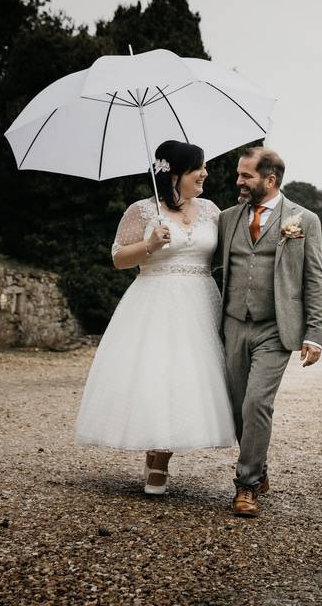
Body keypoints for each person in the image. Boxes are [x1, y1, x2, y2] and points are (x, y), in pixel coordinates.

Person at [75, 140, 235, 495]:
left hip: (202, 302)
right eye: (199, 169)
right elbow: (118, 258)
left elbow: (227, 255)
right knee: (160, 376)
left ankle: (160, 454)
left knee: (190, 380)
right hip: (156, 300)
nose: (205, 174)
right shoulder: (142, 210)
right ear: (175, 174)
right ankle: (158, 459)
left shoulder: (210, 210)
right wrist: (149, 245)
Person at [214, 146, 322, 517]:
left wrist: (314, 333)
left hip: (275, 329)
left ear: (270, 179)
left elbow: (314, 279)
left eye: (246, 176)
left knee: (257, 403)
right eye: (239, 174)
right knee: (235, 408)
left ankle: (246, 486)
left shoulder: (303, 220)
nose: (238, 181)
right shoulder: (228, 218)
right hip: (232, 323)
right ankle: (259, 468)